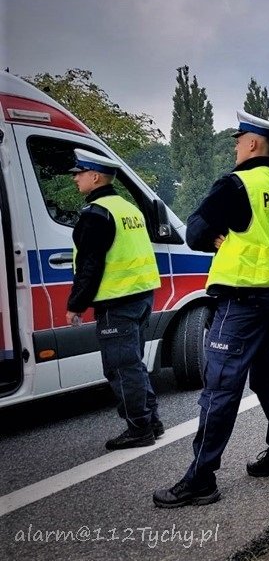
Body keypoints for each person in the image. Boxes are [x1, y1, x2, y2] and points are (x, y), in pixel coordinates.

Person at [153, 110, 269, 509]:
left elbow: (195, 232)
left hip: (239, 300)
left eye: (238, 139)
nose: (235, 146)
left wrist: (218, 237)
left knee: (219, 389)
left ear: (252, 143)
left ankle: (200, 480)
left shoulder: (237, 184)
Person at [66, 149, 162, 450]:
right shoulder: (127, 208)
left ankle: (139, 430)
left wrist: (75, 305)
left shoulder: (96, 214)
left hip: (117, 301)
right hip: (142, 296)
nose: (75, 179)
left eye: (78, 173)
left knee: (121, 368)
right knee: (132, 363)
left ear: (95, 177)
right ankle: (151, 421)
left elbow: (90, 266)